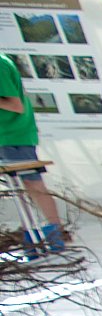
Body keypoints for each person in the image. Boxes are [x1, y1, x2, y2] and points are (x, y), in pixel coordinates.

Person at [0, 54, 67, 254]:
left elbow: (15, 105)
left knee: (32, 184)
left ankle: (55, 234)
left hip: (13, 136)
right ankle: (37, 234)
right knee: (22, 187)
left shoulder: (1, 65)